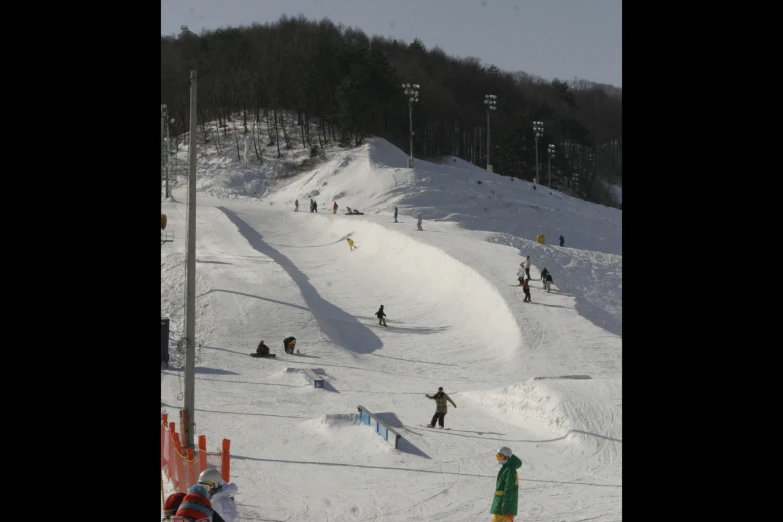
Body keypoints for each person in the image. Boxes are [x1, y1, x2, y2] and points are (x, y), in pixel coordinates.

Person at [490, 447, 522, 522]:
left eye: (500, 457)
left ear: (507, 457)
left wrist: (506, 507)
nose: (499, 459)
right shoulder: (505, 469)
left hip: (503, 508)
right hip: (499, 505)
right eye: (497, 457)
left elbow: (509, 489)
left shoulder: (510, 471)